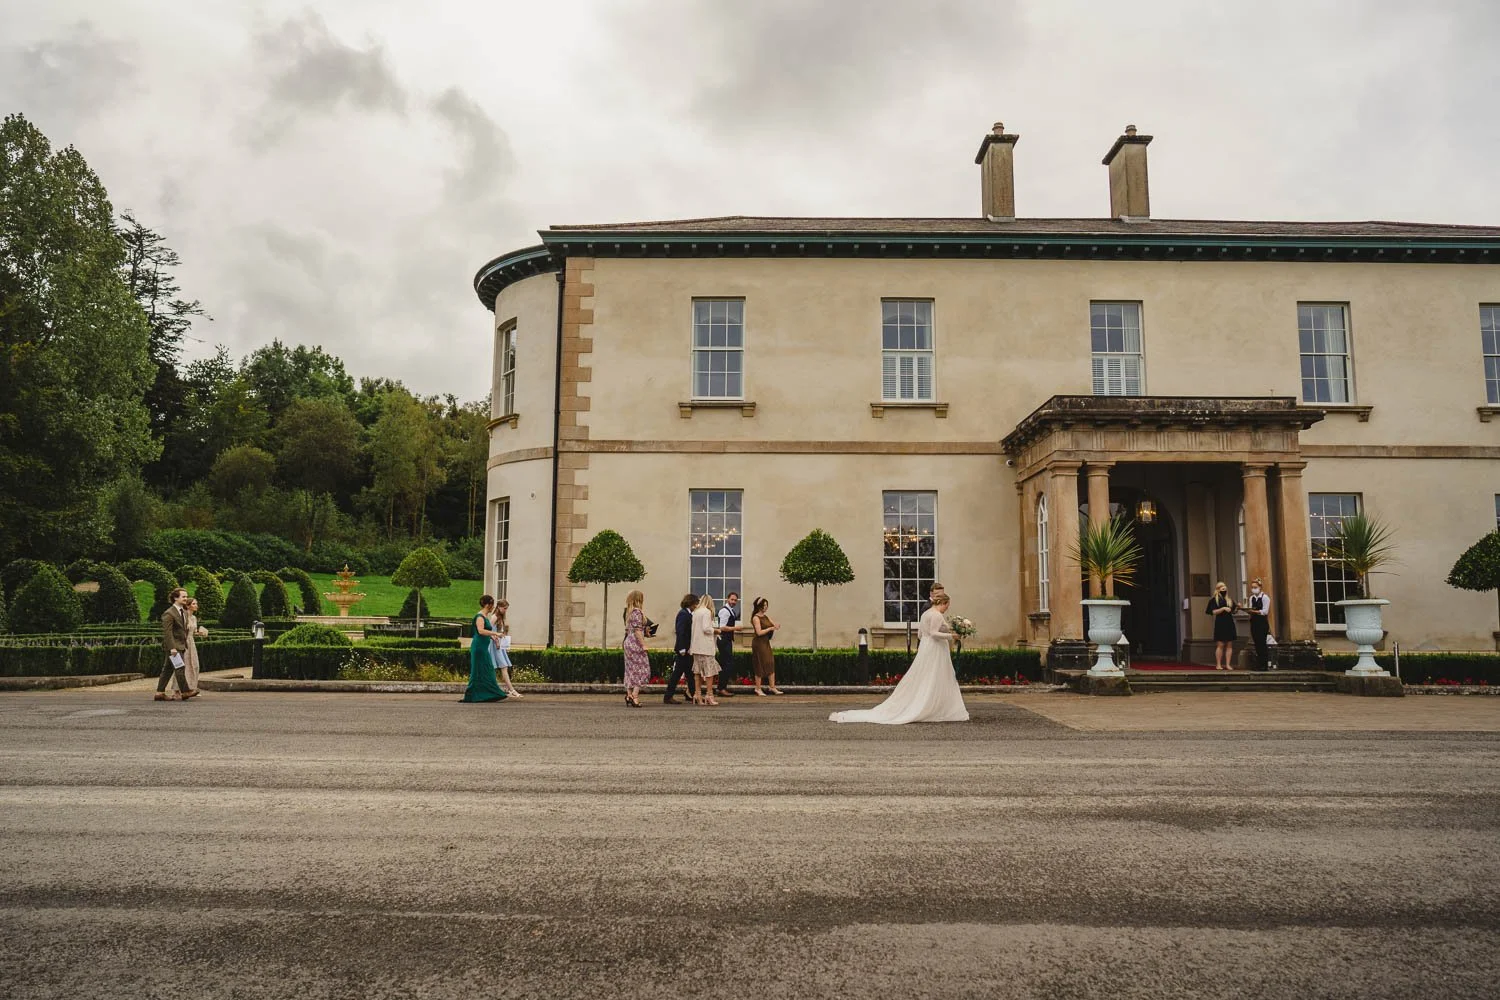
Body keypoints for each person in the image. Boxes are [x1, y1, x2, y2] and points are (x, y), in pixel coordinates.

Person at [830, 592, 967, 724]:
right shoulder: (936, 615)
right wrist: (952, 636)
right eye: (947, 605)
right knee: (934, 675)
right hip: (935, 649)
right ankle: (935, 707)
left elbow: (920, 634)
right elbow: (933, 633)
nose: (947, 608)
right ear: (943, 603)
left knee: (925, 675)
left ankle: (933, 704)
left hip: (926, 647)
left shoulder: (926, 613)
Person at [462, 596, 508, 702]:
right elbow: (481, 631)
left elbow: (485, 632)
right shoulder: (480, 617)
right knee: (478, 670)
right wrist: (495, 633)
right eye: (492, 604)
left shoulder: (485, 616)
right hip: (479, 648)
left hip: (483, 647)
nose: (493, 607)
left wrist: (492, 637)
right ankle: (473, 695)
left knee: (486, 669)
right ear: (488, 605)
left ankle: (488, 694)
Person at [154, 588, 196, 701]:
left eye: (186, 596)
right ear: (175, 598)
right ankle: (186, 691)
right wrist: (172, 647)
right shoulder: (169, 613)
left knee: (167, 669)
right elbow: (167, 632)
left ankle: (159, 693)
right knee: (180, 668)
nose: (186, 598)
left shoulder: (183, 612)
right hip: (174, 646)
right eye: (183, 597)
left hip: (181, 645)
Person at [166, 597, 207, 697]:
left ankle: (191, 687)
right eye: (194, 604)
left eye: (196, 604)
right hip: (183, 643)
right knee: (181, 666)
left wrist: (200, 633)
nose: (196, 606)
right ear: (188, 606)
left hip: (191, 643)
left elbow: (193, 632)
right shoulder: (183, 616)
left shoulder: (194, 618)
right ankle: (176, 690)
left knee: (194, 665)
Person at [665, 593, 698, 704]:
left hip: (687, 649)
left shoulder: (687, 614)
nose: (696, 606)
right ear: (691, 603)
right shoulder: (683, 614)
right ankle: (668, 696)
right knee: (678, 674)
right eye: (695, 603)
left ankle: (694, 695)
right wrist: (682, 648)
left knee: (689, 674)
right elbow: (681, 632)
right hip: (683, 650)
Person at [690, 594, 720, 706]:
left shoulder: (695, 612)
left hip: (696, 646)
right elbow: (706, 629)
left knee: (697, 672)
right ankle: (709, 694)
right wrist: (716, 631)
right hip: (706, 647)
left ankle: (697, 694)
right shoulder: (707, 612)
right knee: (709, 672)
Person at [621, 590, 649, 708]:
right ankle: (635, 696)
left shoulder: (629, 612)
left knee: (630, 670)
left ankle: (628, 695)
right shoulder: (637, 612)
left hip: (628, 642)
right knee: (642, 669)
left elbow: (629, 630)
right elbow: (637, 631)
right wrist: (643, 644)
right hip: (635, 643)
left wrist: (645, 632)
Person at [749, 597, 782, 696]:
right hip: (759, 643)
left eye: (767, 605)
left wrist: (776, 625)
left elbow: (773, 624)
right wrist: (770, 628)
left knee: (770, 661)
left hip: (766, 642)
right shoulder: (756, 618)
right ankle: (758, 688)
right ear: (759, 606)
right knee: (759, 663)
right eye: (764, 606)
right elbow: (759, 632)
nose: (766, 607)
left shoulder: (765, 617)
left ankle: (772, 687)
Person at [493, 599, 523, 698]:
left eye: (506, 608)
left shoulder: (500, 618)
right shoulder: (494, 617)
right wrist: (496, 640)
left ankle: (510, 690)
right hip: (495, 646)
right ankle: (511, 690)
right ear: (499, 607)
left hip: (499, 646)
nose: (505, 610)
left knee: (502, 667)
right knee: (503, 667)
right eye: (504, 608)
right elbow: (488, 631)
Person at [1207, 581, 1238, 671]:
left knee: (1229, 644)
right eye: (1222, 588)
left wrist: (1237, 607)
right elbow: (1213, 612)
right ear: (1218, 589)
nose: (1224, 590)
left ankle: (1228, 664)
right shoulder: (1214, 600)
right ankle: (1218, 664)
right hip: (1220, 622)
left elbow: (1233, 611)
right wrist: (1223, 608)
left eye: (1225, 588)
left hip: (1229, 622)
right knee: (1220, 644)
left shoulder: (1229, 599)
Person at [714, 591, 740, 697]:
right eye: (732, 599)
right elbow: (722, 627)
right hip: (724, 639)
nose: (733, 601)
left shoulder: (730, 610)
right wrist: (735, 628)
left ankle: (722, 687)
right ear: (727, 599)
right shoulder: (725, 611)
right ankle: (721, 688)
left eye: (735, 600)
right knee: (727, 664)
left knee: (726, 664)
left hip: (727, 640)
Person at [1246, 578, 1272, 670]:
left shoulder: (1265, 597)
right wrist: (1247, 610)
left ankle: (1264, 665)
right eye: (1252, 587)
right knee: (1257, 643)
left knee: (1262, 643)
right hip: (1254, 622)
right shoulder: (1252, 598)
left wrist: (1254, 611)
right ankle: (1258, 664)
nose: (1253, 589)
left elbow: (1265, 611)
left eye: (1255, 587)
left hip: (1262, 622)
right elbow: (1250, 609)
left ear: (1260, 587)